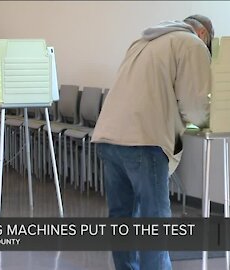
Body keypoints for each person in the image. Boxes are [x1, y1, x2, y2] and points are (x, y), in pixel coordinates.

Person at [91, 15, 214, 269]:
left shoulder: (143, 41)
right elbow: (197, 107)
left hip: (109, 136)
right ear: (203, 34)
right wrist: (208, 120)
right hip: (143, 141)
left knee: (122, 217)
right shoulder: (192, 44)